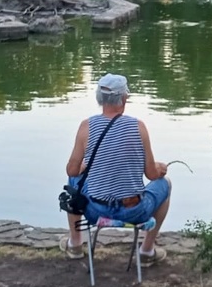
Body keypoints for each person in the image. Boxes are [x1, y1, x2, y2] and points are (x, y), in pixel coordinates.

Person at [60, 73, 172, 265]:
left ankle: (75, 244)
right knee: (165, 184)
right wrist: (160, 169)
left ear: (99, 98)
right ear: (124, 98)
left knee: (74, 182)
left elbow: (71, 170)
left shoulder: (86, 127)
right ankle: (146, 251)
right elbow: (151, 174)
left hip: (95, 212)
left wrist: (86, 165)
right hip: (134, 212)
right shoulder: (139, 127)